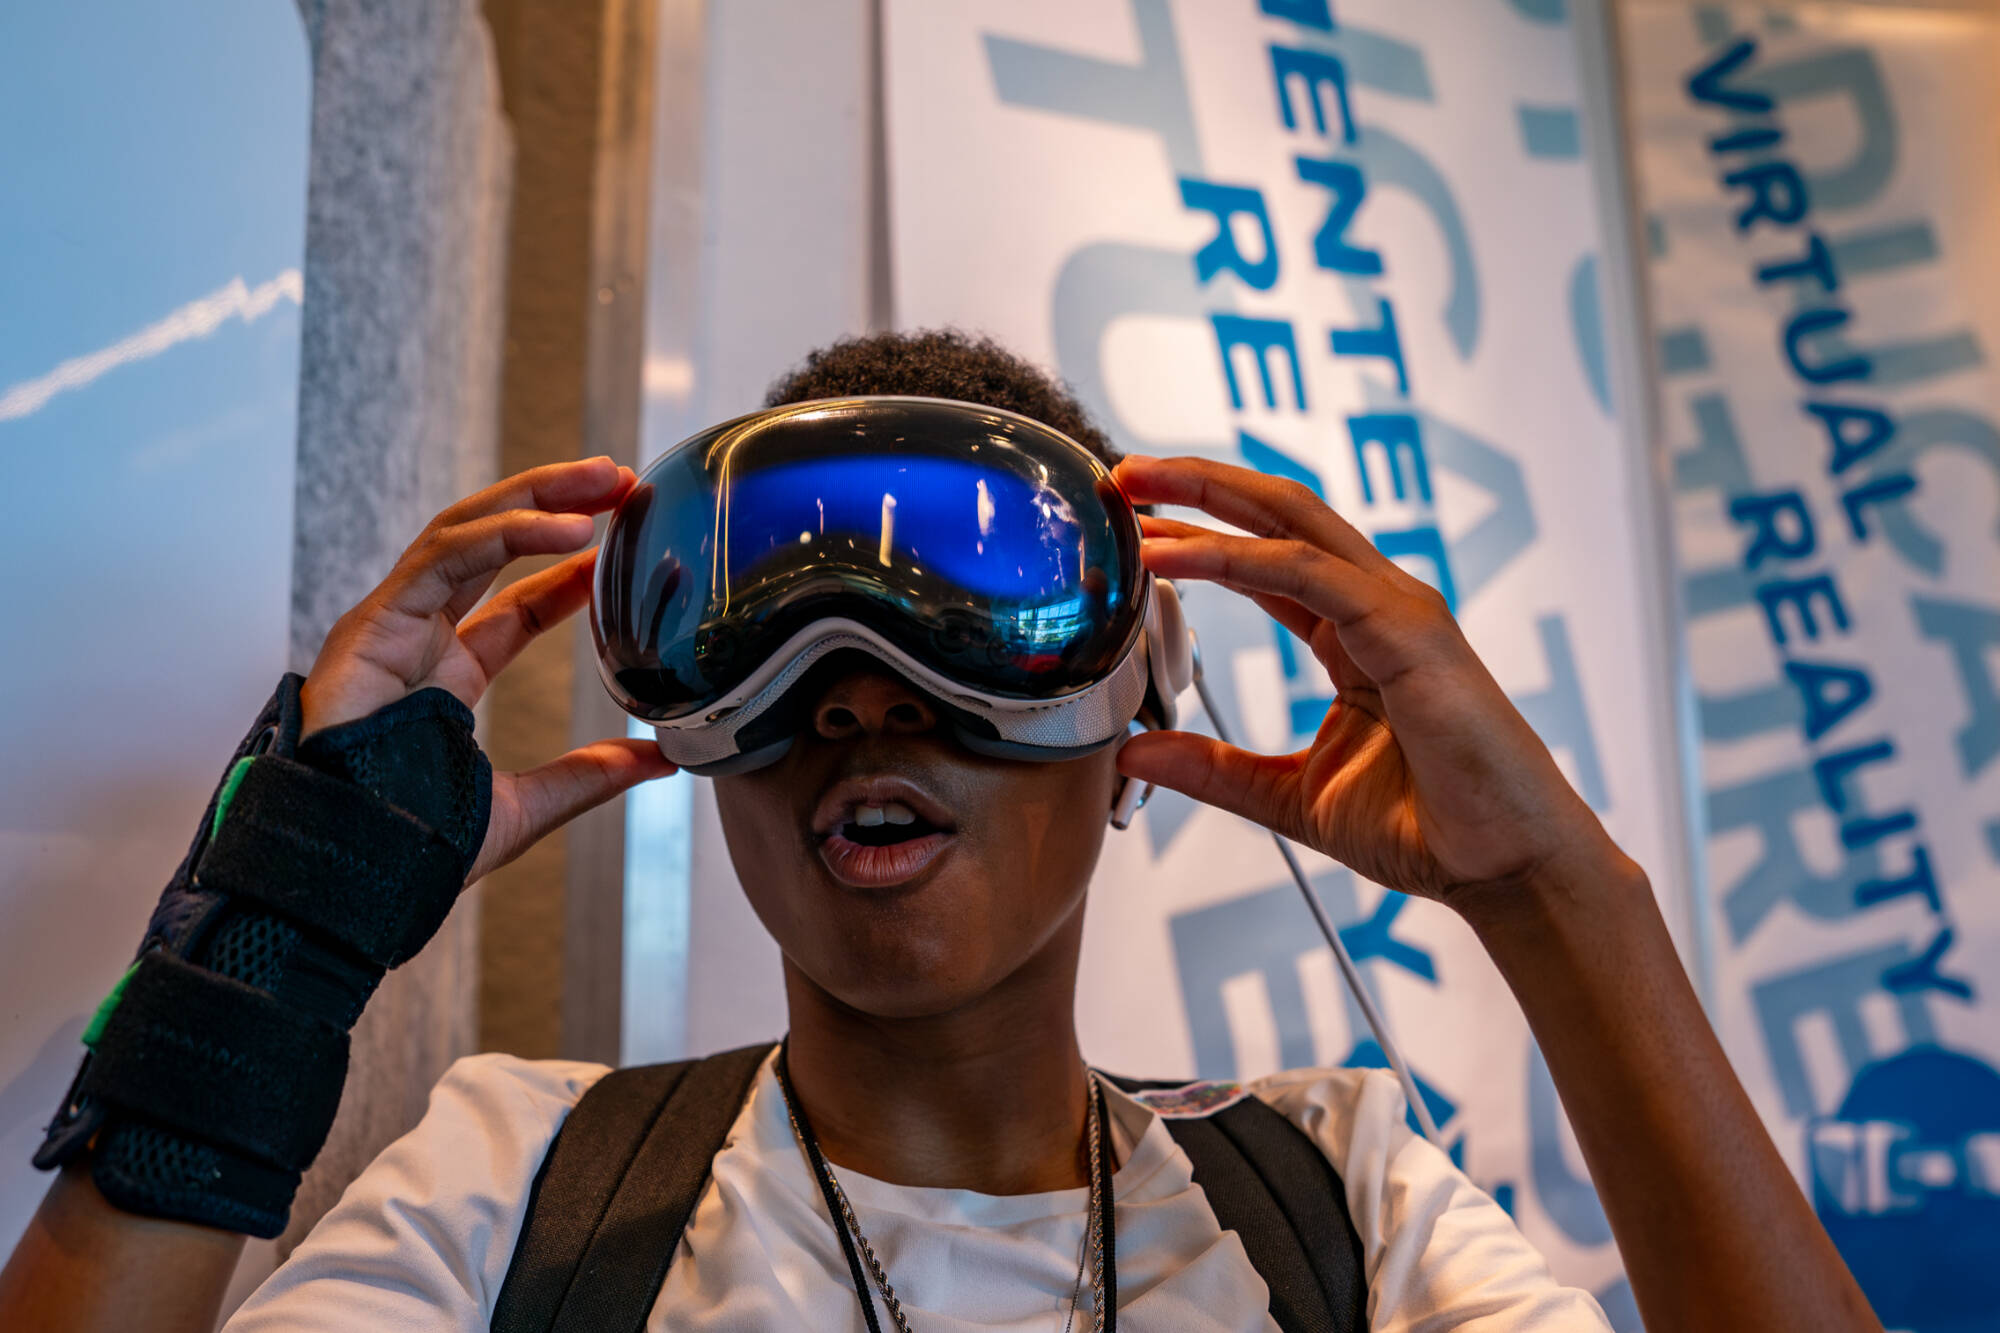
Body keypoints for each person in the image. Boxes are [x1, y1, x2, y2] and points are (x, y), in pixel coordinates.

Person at [0, 332, 1879, 1332]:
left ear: (1140, 714)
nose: (865, 700)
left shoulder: (1346, 1203)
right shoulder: (521, 1185)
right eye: (776, 625)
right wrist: (286, 926)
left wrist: (1558, 897)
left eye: (976, 609)